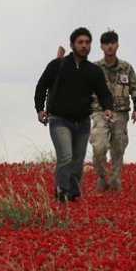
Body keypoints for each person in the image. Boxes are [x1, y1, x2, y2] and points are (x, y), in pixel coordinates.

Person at [34, 28, 114, 202]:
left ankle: (72, 191)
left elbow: (104, 93)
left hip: (83, 122)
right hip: (59, 120)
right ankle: (61, 191)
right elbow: (41, 87)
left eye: (87, 43)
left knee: (77, 164)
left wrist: (108, 108)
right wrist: (40, 109)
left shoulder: (94, 71)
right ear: (72, 45)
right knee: (65, 157)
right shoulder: (57, 65)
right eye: (80, 42)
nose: (84, 46)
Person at [89, 30, 136, 191]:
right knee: (99, 145)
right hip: (99, 112)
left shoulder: (126, 68)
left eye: (112, 43)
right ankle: (101, 176)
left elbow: (135, 89)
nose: (110, 46)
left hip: (120, 112)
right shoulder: (94, 68)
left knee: (118, 146)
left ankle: (114, 180)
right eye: (107, 43)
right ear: (101, 46)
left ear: (117, 45)